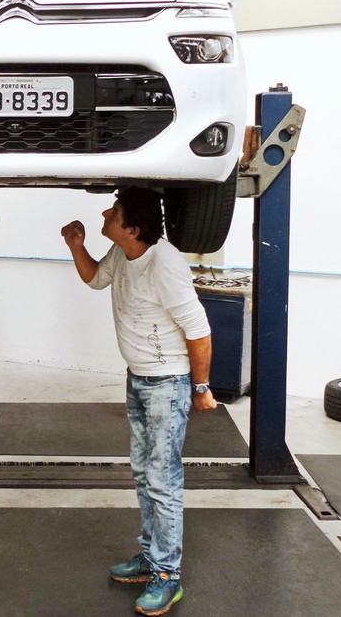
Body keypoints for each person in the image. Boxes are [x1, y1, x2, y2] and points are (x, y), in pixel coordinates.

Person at [60, 187, 217, 616]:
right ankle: (150, 557)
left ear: (132, 228)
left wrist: (201, 388)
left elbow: (199, 331)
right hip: (139, 379)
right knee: (145, 473)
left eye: (114, 212)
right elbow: (96, 278)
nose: (105, 213)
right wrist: (76, 246)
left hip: (168, 385)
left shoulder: (165, 265)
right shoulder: (123, 251)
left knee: (163, 480)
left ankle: (167, 576)